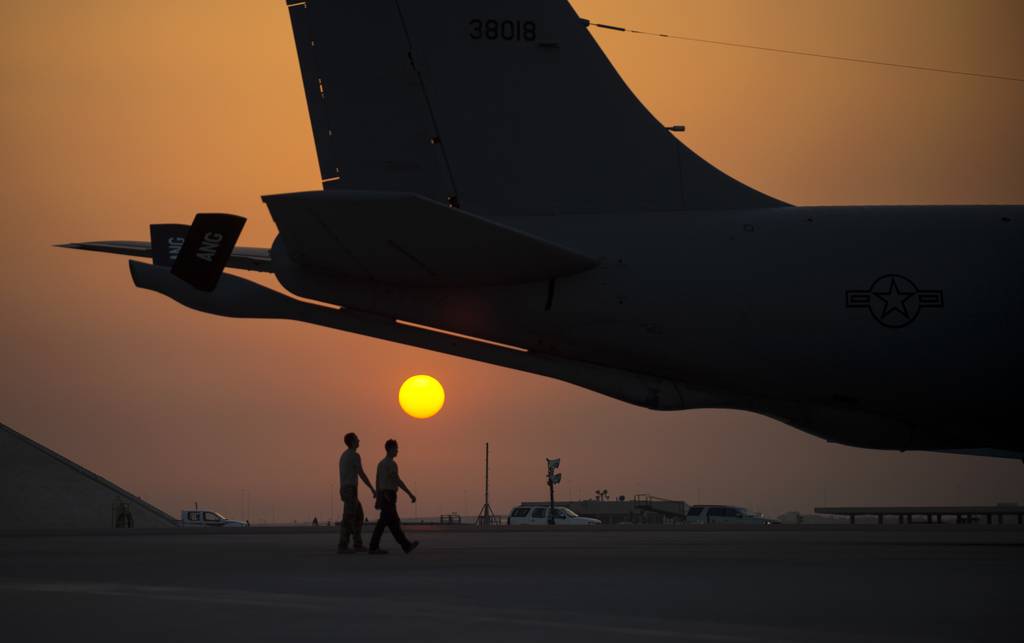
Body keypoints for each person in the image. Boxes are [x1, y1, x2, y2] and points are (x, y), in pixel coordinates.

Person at [369, 439, 419, 555]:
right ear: (391, 449)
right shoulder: (391, 464)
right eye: (396, 448)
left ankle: (406, 546)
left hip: (383, 494)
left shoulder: (380, 464)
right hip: (389, 495)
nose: (397, 451)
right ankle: (373, 547)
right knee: (384, 523)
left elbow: (377, 480)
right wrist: (410, 493)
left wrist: (378, 496)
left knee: (393, 523)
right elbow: (397, 480)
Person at [338, 432, 375, 554]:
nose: (359, 441)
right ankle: (345, 545)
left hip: (344, 489)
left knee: (357, 515)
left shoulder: (344, 455)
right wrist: (371, 488)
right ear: (353, 442)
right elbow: (361, 473)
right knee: (350, 517)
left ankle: (356, 543)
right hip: (350, 489)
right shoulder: (354, 455)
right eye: (357, 439)